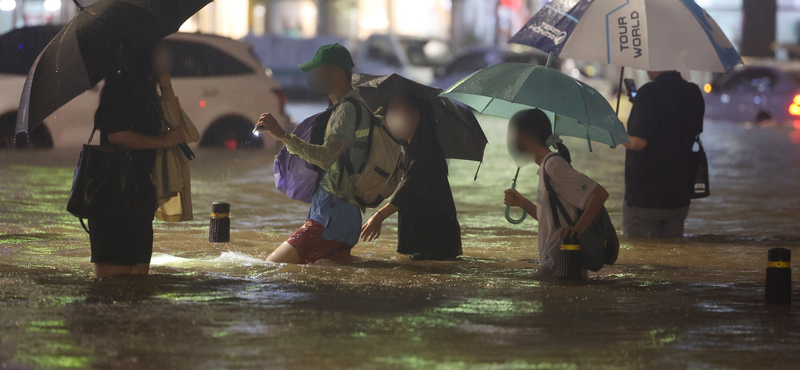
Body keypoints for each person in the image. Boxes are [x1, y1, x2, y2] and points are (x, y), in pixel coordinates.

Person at [256, 43, 371, 264]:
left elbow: (326, 157)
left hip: (330, 217)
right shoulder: (353, 107)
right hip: (340, 215)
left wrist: (283, 136)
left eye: (318, 70)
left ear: (336, 72)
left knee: (272, 267)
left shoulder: (346, 110)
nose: (314, 76)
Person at [89, 41, 186, 279]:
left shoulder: (147, 88)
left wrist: (165, 82)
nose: (166, 58)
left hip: (139, 193)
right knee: (112, 281)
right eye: (159, 53)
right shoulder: (121, 85)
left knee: (138, 278)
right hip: (113, 194)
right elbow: (116, 134)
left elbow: (179, 129)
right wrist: (163, 142)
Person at [502, 109, 609, 277]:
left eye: (516, 135)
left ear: (530, 136)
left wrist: (577, 230)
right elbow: (551, 219)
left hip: (564, 268)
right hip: (553, 268)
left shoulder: (554, 166)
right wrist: (523, 203)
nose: (513, 141)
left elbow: (600, 194)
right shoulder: (545, 167)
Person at [360, 94, 462, 260]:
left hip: (433, 238)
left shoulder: (424, 147)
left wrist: (379, 217)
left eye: (402, 111)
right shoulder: (415, 146)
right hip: (433, 236)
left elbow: (409, 187)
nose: (395, 117)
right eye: (392, 112)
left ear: (417, 114)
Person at [623, 71, 705, 238]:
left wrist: (614, 132)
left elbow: (637, 143)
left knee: (642, 257)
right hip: (679, 195)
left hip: (645, 196)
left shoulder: (647, 93)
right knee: (672, 255)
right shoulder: (693, 92)